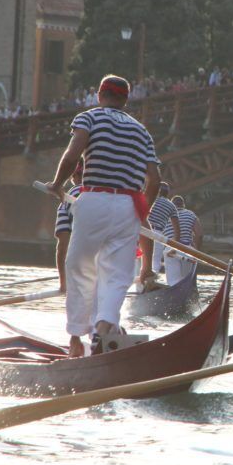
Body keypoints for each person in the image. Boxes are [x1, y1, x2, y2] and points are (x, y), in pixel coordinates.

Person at [45, 75, 160, 358]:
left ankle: (75, 337)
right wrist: (141, 210)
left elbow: (73, 156)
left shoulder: (89, 119)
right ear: (125, 99)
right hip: (128, 207)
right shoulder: (141, 131)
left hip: (93, 199)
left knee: (79, 265)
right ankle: (105, 322)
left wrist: (57, 185)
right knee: (118, 274)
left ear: (99, 95)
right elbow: (155, 180)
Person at [140, 182, 180, 287]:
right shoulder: (171, 206)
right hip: (157, 234)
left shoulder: (149, 199)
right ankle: (150, 286)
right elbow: (177, 229)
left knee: (140, 258)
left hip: (141, 229)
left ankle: (138, 284)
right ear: (167, 193)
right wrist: (174, 247)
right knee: (155, 262)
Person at [53, 160, 84, 294]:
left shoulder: (65, 202)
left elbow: (62, 246)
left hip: (83, 258)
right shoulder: (113, 194)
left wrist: (63, 283)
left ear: (73, 177)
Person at [163, 195, 201, 286]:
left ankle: (174, 291)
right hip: (188, 250)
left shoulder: (166, 215)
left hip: (170, 250)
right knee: (186, 279)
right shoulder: (191, 214)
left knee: (173, 282)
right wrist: (196, 250)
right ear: (183, 205)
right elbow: (199, 234)